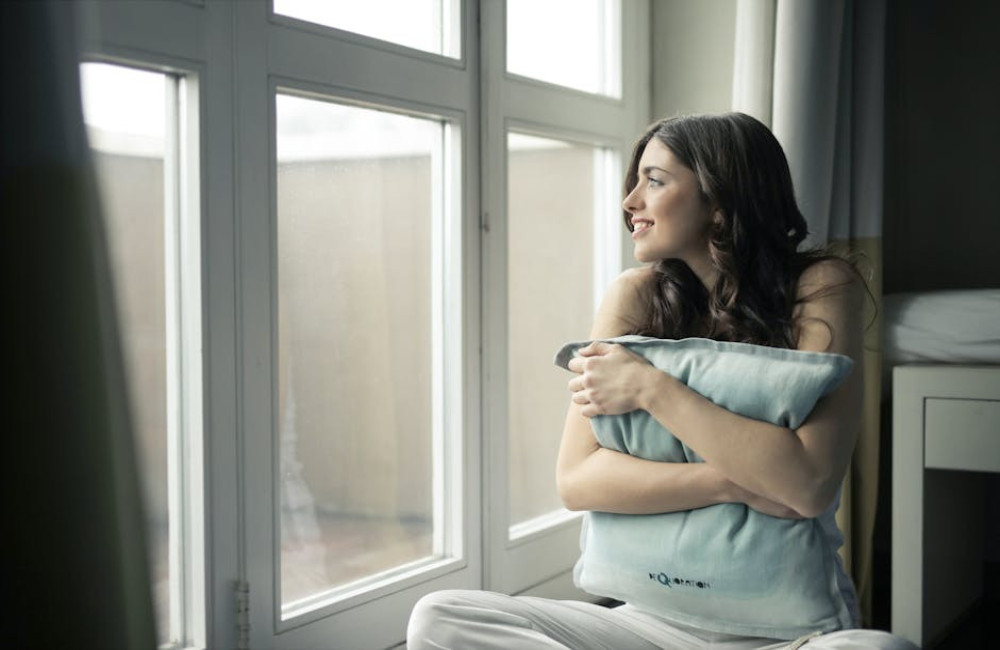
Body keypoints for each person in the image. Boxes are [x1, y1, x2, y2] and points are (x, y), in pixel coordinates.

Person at [407, 113, 916, 649]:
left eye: (654, 180)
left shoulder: (820, 285)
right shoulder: (635, 295)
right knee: (440, 616)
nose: (630, 201)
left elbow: (810, 485)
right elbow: (578, 480)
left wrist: (651, 388)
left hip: (789, 635)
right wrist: (737, 482)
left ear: (719, 201)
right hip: (643, 624)